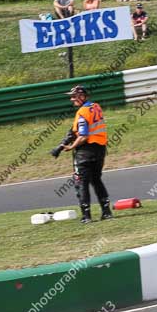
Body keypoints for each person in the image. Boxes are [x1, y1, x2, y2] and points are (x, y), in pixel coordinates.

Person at [60, 85, 112, 223]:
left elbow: (83, 135)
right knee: (96, 180)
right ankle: (107, 212)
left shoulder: (82, 112)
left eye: (74, 97)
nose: (72, 100)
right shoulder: (96, 106)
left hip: (85, 152)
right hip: (100, 149)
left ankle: (86, 216)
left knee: (81, 182)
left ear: (82, 97)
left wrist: (71, 146)